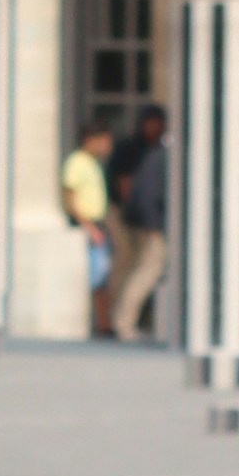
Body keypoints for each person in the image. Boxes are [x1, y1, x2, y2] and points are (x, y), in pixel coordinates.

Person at [107, 102, 171, 339]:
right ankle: (122, 321)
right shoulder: (142, 151)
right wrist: (151, 223)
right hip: (137, 218)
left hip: (141, 217)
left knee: (137, 269)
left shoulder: (157, 150)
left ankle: (121, 320)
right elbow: (129, 187)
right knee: (143, 270)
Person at [60, 107, 114, 333]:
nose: (107, 146)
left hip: (97, 224)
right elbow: (69, 198)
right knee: (93, 278)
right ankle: (96, 324)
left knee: (101, 277)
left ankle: (103, 323)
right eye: (103, 140)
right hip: (88, 227)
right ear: (90, 139)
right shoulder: (77, 162)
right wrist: (89, 227)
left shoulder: (92, 163)